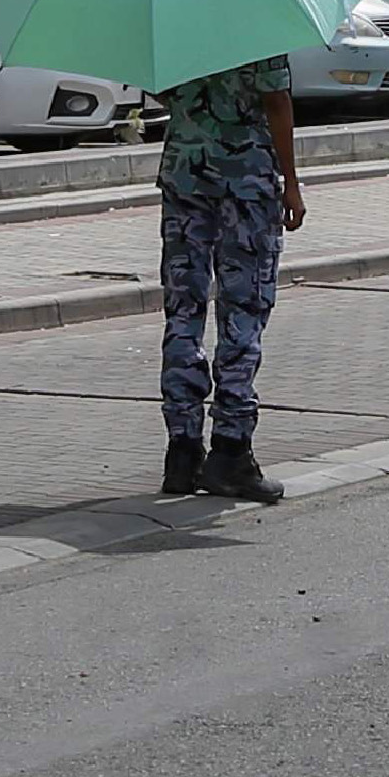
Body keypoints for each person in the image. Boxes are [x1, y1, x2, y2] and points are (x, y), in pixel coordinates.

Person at [155, 57, 305, 502]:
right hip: (244, 186)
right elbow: (276, 102)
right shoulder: (256, 22)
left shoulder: (172, 21)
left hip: (184, 176)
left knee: (183, 311)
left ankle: (182, 449)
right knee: (243, 312)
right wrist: (291, 182)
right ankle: (231, 451)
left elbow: (160, 90)